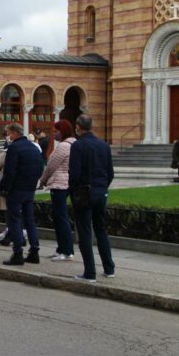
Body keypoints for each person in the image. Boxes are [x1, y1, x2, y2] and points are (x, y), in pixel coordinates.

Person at [69, 114, 115, 282]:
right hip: (101, 192)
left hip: (84, 193)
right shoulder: (104, 145)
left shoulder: (78, 145)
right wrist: (102, 187)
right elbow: (110, 173)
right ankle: (109, 268)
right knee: (101, 230)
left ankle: (90, 272)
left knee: (85, 232)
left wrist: (73, 191)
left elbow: (73, 175)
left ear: (78, 127)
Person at [0, 123, 44, 266]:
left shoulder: (14, 148)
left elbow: (10, 172)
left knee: (15, 220)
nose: (7, 136)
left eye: (8, 133)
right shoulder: (33, 148)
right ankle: (34, 251)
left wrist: (2, 187)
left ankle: (17, 253)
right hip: (29, 189)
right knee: (29, 220)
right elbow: (40, 168)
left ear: (14, 133)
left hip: (16, 190)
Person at [39, 120, 77, 262]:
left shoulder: (63, 146)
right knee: (60, 218)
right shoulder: (74, 144)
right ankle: (61, 249)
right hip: (67, 183)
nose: (54, 134)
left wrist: (42, 181)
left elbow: (50, 166)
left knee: (61, 218)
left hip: (59, 185)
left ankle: (67, 251)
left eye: (56, 131)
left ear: (63, 131)